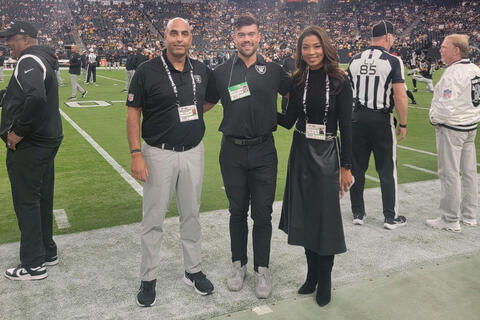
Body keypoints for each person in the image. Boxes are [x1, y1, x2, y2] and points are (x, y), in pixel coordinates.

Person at [126, 17, 214, 307]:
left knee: (191, 214)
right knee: (153, 219)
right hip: (157, 152)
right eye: (173, 33)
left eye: (184, 34)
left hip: (192, 151)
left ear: (191, 38)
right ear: (164, 37)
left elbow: (208, 102)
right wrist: (136, 153)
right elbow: (133, 112)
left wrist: (188, 118)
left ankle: (193, 270)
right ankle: (148, 277)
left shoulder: (201, 69)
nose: (179, 38)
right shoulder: (146, 70)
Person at [204, 15, 291, 299]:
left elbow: (295, 93)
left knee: (262, 215)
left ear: (259, 36)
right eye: (241, 34)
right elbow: (203, 103)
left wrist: (279, 118)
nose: (246, 39)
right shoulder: (221, 72)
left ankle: (262, 270)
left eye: (251, 34)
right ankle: (238, 264)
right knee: (237, 212)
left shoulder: (274, 69)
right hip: (232, 151)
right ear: (234, 38)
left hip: (265, 150)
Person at [277, 26, 353, 307]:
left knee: (325, 220)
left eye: (316, 46)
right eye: (305, 48)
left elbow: (347, 126)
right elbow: (288, 120)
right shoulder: (298, 80)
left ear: (326, 47)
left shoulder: (340, 80)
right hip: (301, 152)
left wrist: (346, 167)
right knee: (306, 217)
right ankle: (311, 276)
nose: (311, 52)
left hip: (327, 156)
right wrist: (256, 108)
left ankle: (326, 278)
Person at [0, 21, 63, 281]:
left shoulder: (28, 61)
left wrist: (18, 132)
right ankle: (47, 251)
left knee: (26, 201)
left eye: (10, 39)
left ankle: (33, 264)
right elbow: (21, 95)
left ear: (24, 39)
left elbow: (35, 97)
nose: (7, 45)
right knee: (42, 198)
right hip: (47, 140)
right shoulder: (42, 59)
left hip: (32, 144)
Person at [347, 20, 408, 230]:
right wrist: (403, 123)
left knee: (357, 168)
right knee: (387, 169)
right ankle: (390, 217)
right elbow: (400, 95)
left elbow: (348, 93)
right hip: (381, 120)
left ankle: (358, 213)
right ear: (389, 37)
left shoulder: (354, 60)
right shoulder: (393, 60)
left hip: (356, 120)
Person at [426, 34, 480, 232]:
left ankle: (450, 219)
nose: (441, 49)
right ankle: (469, 215)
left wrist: (434, 119)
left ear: (456, 50)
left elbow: (445, 106)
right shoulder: (475, 69)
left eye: (444, 46)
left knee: (450, 173)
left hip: (453, 128)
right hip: (470, 126)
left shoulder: (453, 73)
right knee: (469, 173)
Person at [281, 47, 295, 113]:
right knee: (285, 96)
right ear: (293, 52)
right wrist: (288, 73)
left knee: (295, 96)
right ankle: (283, 110)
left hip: (296, 81)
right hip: (288, 81)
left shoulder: (300, 61)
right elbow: (283, 70)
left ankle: (293, 111)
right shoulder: (287, 60)